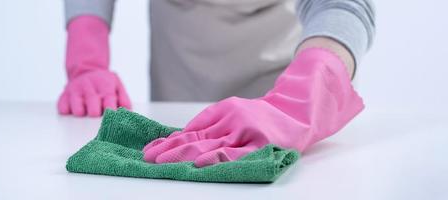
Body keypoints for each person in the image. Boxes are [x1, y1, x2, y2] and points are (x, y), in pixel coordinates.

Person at [59, 0, 375, 167]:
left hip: (282, 72)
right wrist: (88, 54)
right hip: (181, 77)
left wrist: (306, 92)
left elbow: (343, 4)